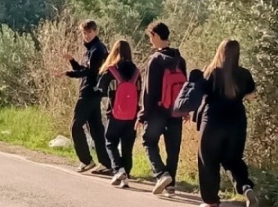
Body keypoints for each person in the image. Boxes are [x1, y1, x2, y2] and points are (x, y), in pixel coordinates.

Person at [197, 40, 259, 207]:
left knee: (208, 160)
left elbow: (199, 93)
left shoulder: (211, 72)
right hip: (237, 121)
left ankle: (211, 201)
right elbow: (252, 95)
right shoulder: (244, 74)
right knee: (232, 159)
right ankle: (245, 186)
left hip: (213, 121)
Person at [139, 22, 188, 196]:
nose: (151, 42)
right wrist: (185, 110)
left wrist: (143, 115)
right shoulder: (180, 60)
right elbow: (185, 88)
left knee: (148, 141)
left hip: (158, 111)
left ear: (156, 36)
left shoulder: (155, 60)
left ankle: (161, 174)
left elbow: (149, 91)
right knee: (173, 149)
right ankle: (170, 185)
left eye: (151, 37)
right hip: (175, 111)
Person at [62, 20, 113, 175]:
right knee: (96, 129)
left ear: (95, 31)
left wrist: (68, 73)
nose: (86, 35)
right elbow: (83, 70)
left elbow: (91, 72)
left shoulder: (98, 49)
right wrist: (72, 61)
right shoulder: (90, 49)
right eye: (84, 32)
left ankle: (86, 160)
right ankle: (106, 163)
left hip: (90, 92)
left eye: (89, 32)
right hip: (91, 91)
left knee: (76, 126)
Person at [97, 40, 141, 189]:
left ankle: (118, 169)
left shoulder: (112, 70)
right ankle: (126, 177)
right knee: (127, 147)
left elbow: (100, 88)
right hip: (132, 114)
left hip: (115, 113)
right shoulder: (136, 71)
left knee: (110, 141)